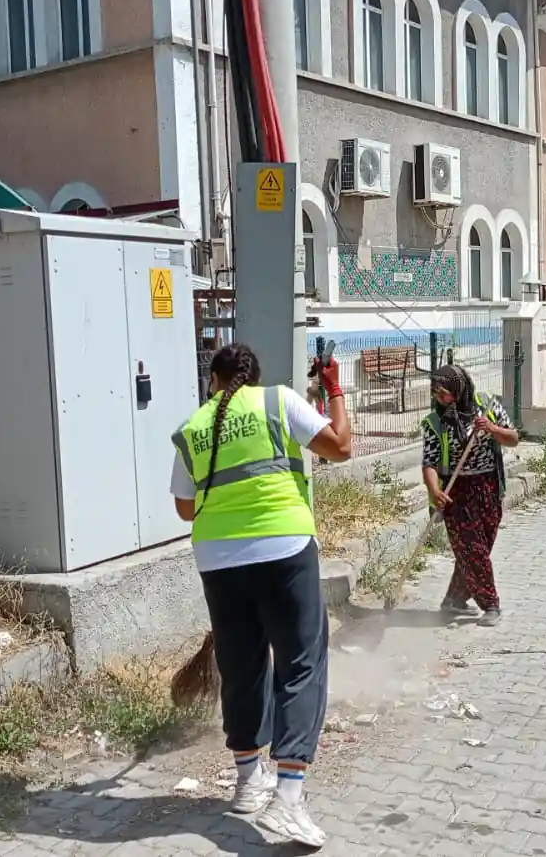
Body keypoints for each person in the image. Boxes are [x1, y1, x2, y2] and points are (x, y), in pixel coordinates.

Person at [169, 343, 354, 848]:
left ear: (213, 380)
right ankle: (289, 798)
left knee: (241, 664)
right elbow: (340, 446)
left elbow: (186, 509)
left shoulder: (194, 426)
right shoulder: (278, 401)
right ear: (253, 376)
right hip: (283, 546)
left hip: (218, 560)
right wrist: (333, 388)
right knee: (300, 663)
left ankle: (249, 780)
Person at [421, 365, 519, 626]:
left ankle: (453, 600)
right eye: (436, 395)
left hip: (489, 487)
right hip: (457, 492)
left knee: (478, 549)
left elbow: (513, 438)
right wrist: (435, 491)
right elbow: (429, 462)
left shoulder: (487, 406)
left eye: (444, 394)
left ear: (459, 389)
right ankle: (490, 604)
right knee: (472, 549)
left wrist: (491, 429)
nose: (440, 400)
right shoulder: (435, 422)